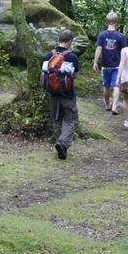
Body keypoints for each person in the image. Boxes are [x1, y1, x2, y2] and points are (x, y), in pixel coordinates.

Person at [42, 30, 80, 159]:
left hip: (52, 94)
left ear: (59, 40)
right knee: (71, 119)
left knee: (56, 119)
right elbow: (74, 75)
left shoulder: (48, 55)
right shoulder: (72, 57)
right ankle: (63, 144)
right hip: (68, 95)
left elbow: (43, 74)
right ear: (69, 41)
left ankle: (60, 145)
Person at [93, 12, 126, 115]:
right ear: (116, 21)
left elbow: (99, 48)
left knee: (106, 85)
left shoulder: (102, 34)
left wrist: (95, 62)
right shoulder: (120, 36)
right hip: (117, 65)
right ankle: (114, 106)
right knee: (116, 85)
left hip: (105, 64)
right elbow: (124, 51)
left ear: (107, 21)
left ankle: (107, 105)